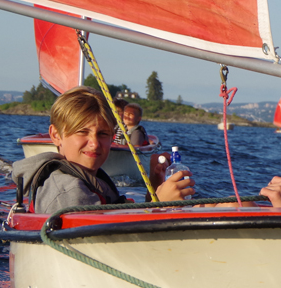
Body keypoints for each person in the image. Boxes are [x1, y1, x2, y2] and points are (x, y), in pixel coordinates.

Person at [12, 86, 191, 213]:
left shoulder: (90, 179)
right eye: (82, 132)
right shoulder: (69, 192)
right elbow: (106, 245)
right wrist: (160, 207)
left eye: (103, 134)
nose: (95, 143)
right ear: (56, 135)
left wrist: (154, 187)